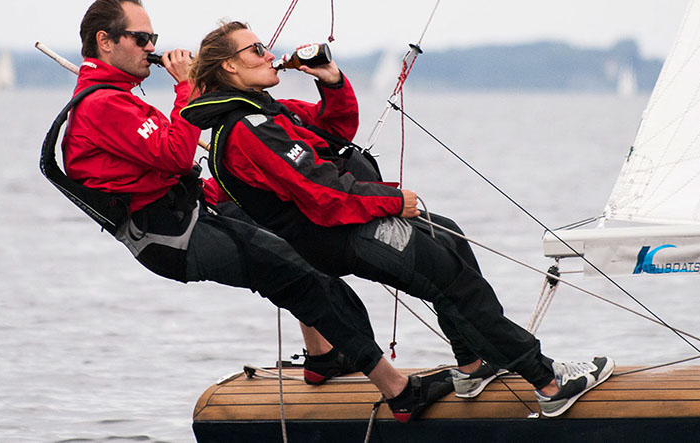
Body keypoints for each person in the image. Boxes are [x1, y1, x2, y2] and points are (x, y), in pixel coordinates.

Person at [181, 21, 615, 419]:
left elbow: (335, 131)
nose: (270, 54)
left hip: (352, 221)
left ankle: (472, 366)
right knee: (456, 285)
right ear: (230, 66)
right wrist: (392, 200)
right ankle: (549, 383)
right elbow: (323, 193)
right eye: (256, 49)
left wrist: (331, 81)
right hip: (344, 233)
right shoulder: (249, 128)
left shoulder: (270, 112)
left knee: (450, 236)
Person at [51, 0, 451, 424]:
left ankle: (323, 356)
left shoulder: (117, 98)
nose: (151, 47)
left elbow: (161, 167)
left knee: (300, 235)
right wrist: (187, 88)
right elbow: (174, 155)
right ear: (105, 41)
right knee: (301, 275)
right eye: (142, 38)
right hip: (170, 236)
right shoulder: (101, 105)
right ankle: (398, 392)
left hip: (190, 210)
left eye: (154, 39)